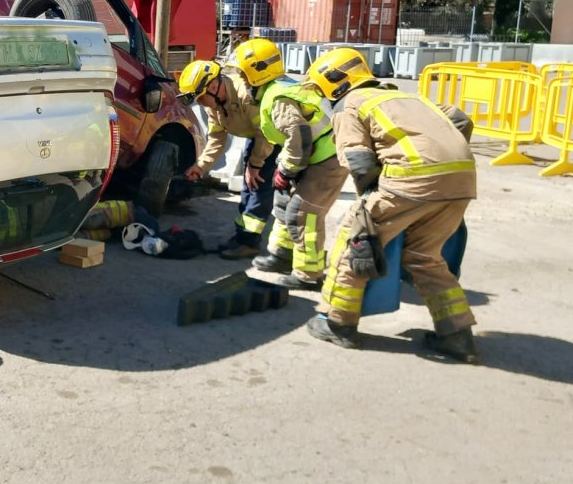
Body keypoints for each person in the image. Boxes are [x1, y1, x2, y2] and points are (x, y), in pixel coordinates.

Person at [301, 48, 479, 363]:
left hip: (411, 178)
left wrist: (367, 201)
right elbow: (460, 119)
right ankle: (456, 335)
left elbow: (357, 158)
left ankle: (338, 323)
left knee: (354, 241)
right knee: (424, 257)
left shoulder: (351, 103)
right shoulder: (412, 98)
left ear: (334, 82)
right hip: (461, 180)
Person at [233, 38, 347, 290]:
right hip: (313, 154)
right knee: (283, 202)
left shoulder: (277, 98)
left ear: (255, 74)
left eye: (242, 74)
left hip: (328, 158)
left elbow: (299, 135)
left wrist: (287, 169)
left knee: (304, 212)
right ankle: (282, 255)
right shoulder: (278, 88)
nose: (239, 80)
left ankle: (309, 274)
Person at [178, 58, 281, 258]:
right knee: (248, 188)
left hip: (274, 138)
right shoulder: (212, 105)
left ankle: (249, 243)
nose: (200, 102)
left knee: (258, 187)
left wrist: (255, 164)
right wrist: (201, 166)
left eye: (200, 97)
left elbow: (266, 134)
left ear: (214, 86)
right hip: (257, 136)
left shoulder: (245, 95)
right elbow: (217, 137)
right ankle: (242, 237)